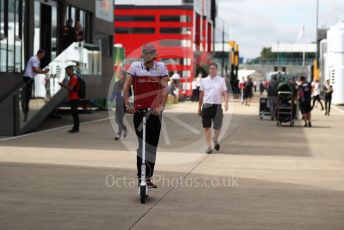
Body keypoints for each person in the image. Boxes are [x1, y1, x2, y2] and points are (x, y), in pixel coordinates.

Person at [123, 43, 168, 188]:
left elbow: (165, 88)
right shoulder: (135, 66)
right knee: (142, 145)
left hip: (154, 113)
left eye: (151, 52)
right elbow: (126, 86)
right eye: (145, 52)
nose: (148, 55)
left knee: (152, 146)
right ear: (142, 54)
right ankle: (140, 175)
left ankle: (148, 178)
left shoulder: (161, 67)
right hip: (139, 112)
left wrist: (161, 106)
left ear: (155, 55)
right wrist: (127, 105)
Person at [198, 63, 229, 154]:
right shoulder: (203, 80)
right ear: (209, 70)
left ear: (217, 70)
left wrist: (226, 103)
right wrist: (199, 107)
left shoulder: (221, 80)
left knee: (218, 126)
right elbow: (201, 94)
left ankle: (215, 138)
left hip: (217, 106)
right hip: (207, 105)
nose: (212, 70)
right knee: (207, 127)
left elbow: (225, 93)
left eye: (214, 68)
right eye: (210, 68)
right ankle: (209, 147)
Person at [21, 49, 49, 121]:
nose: (43, 57)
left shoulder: (37, 60)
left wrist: (43, 71)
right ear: (39, 53)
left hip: (30, 78)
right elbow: (34, 70)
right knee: (28, 96)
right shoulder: (34, 59)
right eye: (42, 55)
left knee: (28, 95)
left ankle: (26, 109)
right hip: (28, 77)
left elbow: (37, 69)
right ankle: (25, 109)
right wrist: (43, 72)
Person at [59, 63, 80, 133]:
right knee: (74, 113)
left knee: (75, 113)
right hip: (72, 97)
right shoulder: (72, 77)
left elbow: (71, 88)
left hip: (74, 98)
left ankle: (76, 128)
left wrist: (63, 85)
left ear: (70, 70)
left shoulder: (74, 78)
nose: (66, 73)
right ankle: (75, 127)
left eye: (67, 71)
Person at [113, 71, 128, 140]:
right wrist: (112, 99)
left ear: (124, 76)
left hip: (123, 104)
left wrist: (123, 92)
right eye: (120, 74)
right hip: (117, 103)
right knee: (117, 119)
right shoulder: (116, 83)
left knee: (119, 119)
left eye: (121, 74)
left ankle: (119, 134)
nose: (120, 75)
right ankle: (125, 129)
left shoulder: (127, 84)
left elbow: (130, 93)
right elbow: (114, 92)